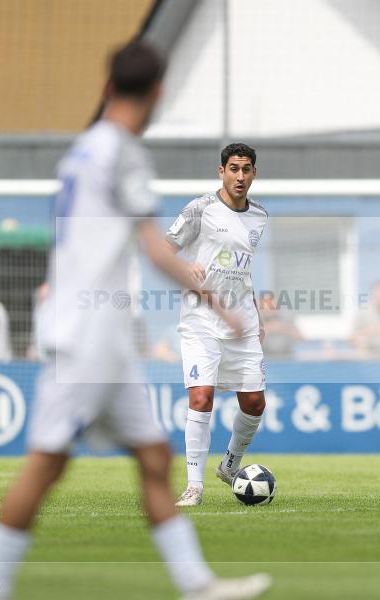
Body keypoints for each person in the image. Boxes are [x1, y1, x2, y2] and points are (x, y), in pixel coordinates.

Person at [0, 42, 271, 600]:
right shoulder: (124, 153)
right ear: (157, 93)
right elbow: (156, 248)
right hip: (88, 336)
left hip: (94, 332)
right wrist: (219, 302)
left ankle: (197, 583)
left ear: (108, 85)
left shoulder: (81, 151)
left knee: (153, 458)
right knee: (46, 466)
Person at [165, 143, 268, 507]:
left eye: (247, 170)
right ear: (221, 171)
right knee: (201, 396)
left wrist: (255, 315)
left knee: (254, 403)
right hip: (200, 320)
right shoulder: (200, 209)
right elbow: (163, 250)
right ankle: (194, 486)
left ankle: (230, 466)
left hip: (240, 321)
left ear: (254, 173)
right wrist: (185, 268)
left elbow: (242, 272)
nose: (240, 176)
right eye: (233, 169)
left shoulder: (259, 217)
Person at [257, 291, 302, 359]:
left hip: (287, 358)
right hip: (265, 360)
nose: (269, 307)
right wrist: (269, 328)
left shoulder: (286, 318)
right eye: (265, 304)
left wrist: (282, 328)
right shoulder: (256, 320)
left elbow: (300, 338)